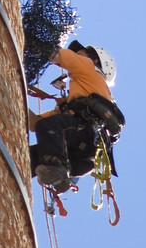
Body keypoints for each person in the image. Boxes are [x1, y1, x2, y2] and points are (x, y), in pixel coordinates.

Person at [29, 42, 124, 193]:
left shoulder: (90, 68)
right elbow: (35, 124)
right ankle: (55, 173)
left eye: (80, 53)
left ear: (94, 60)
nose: (75, 55)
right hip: (82, 160)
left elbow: (56, 54)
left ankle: (58, 170)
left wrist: (33, 42)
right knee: (28, 157)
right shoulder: (75, 104)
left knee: (48, 127)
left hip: (82, 136)